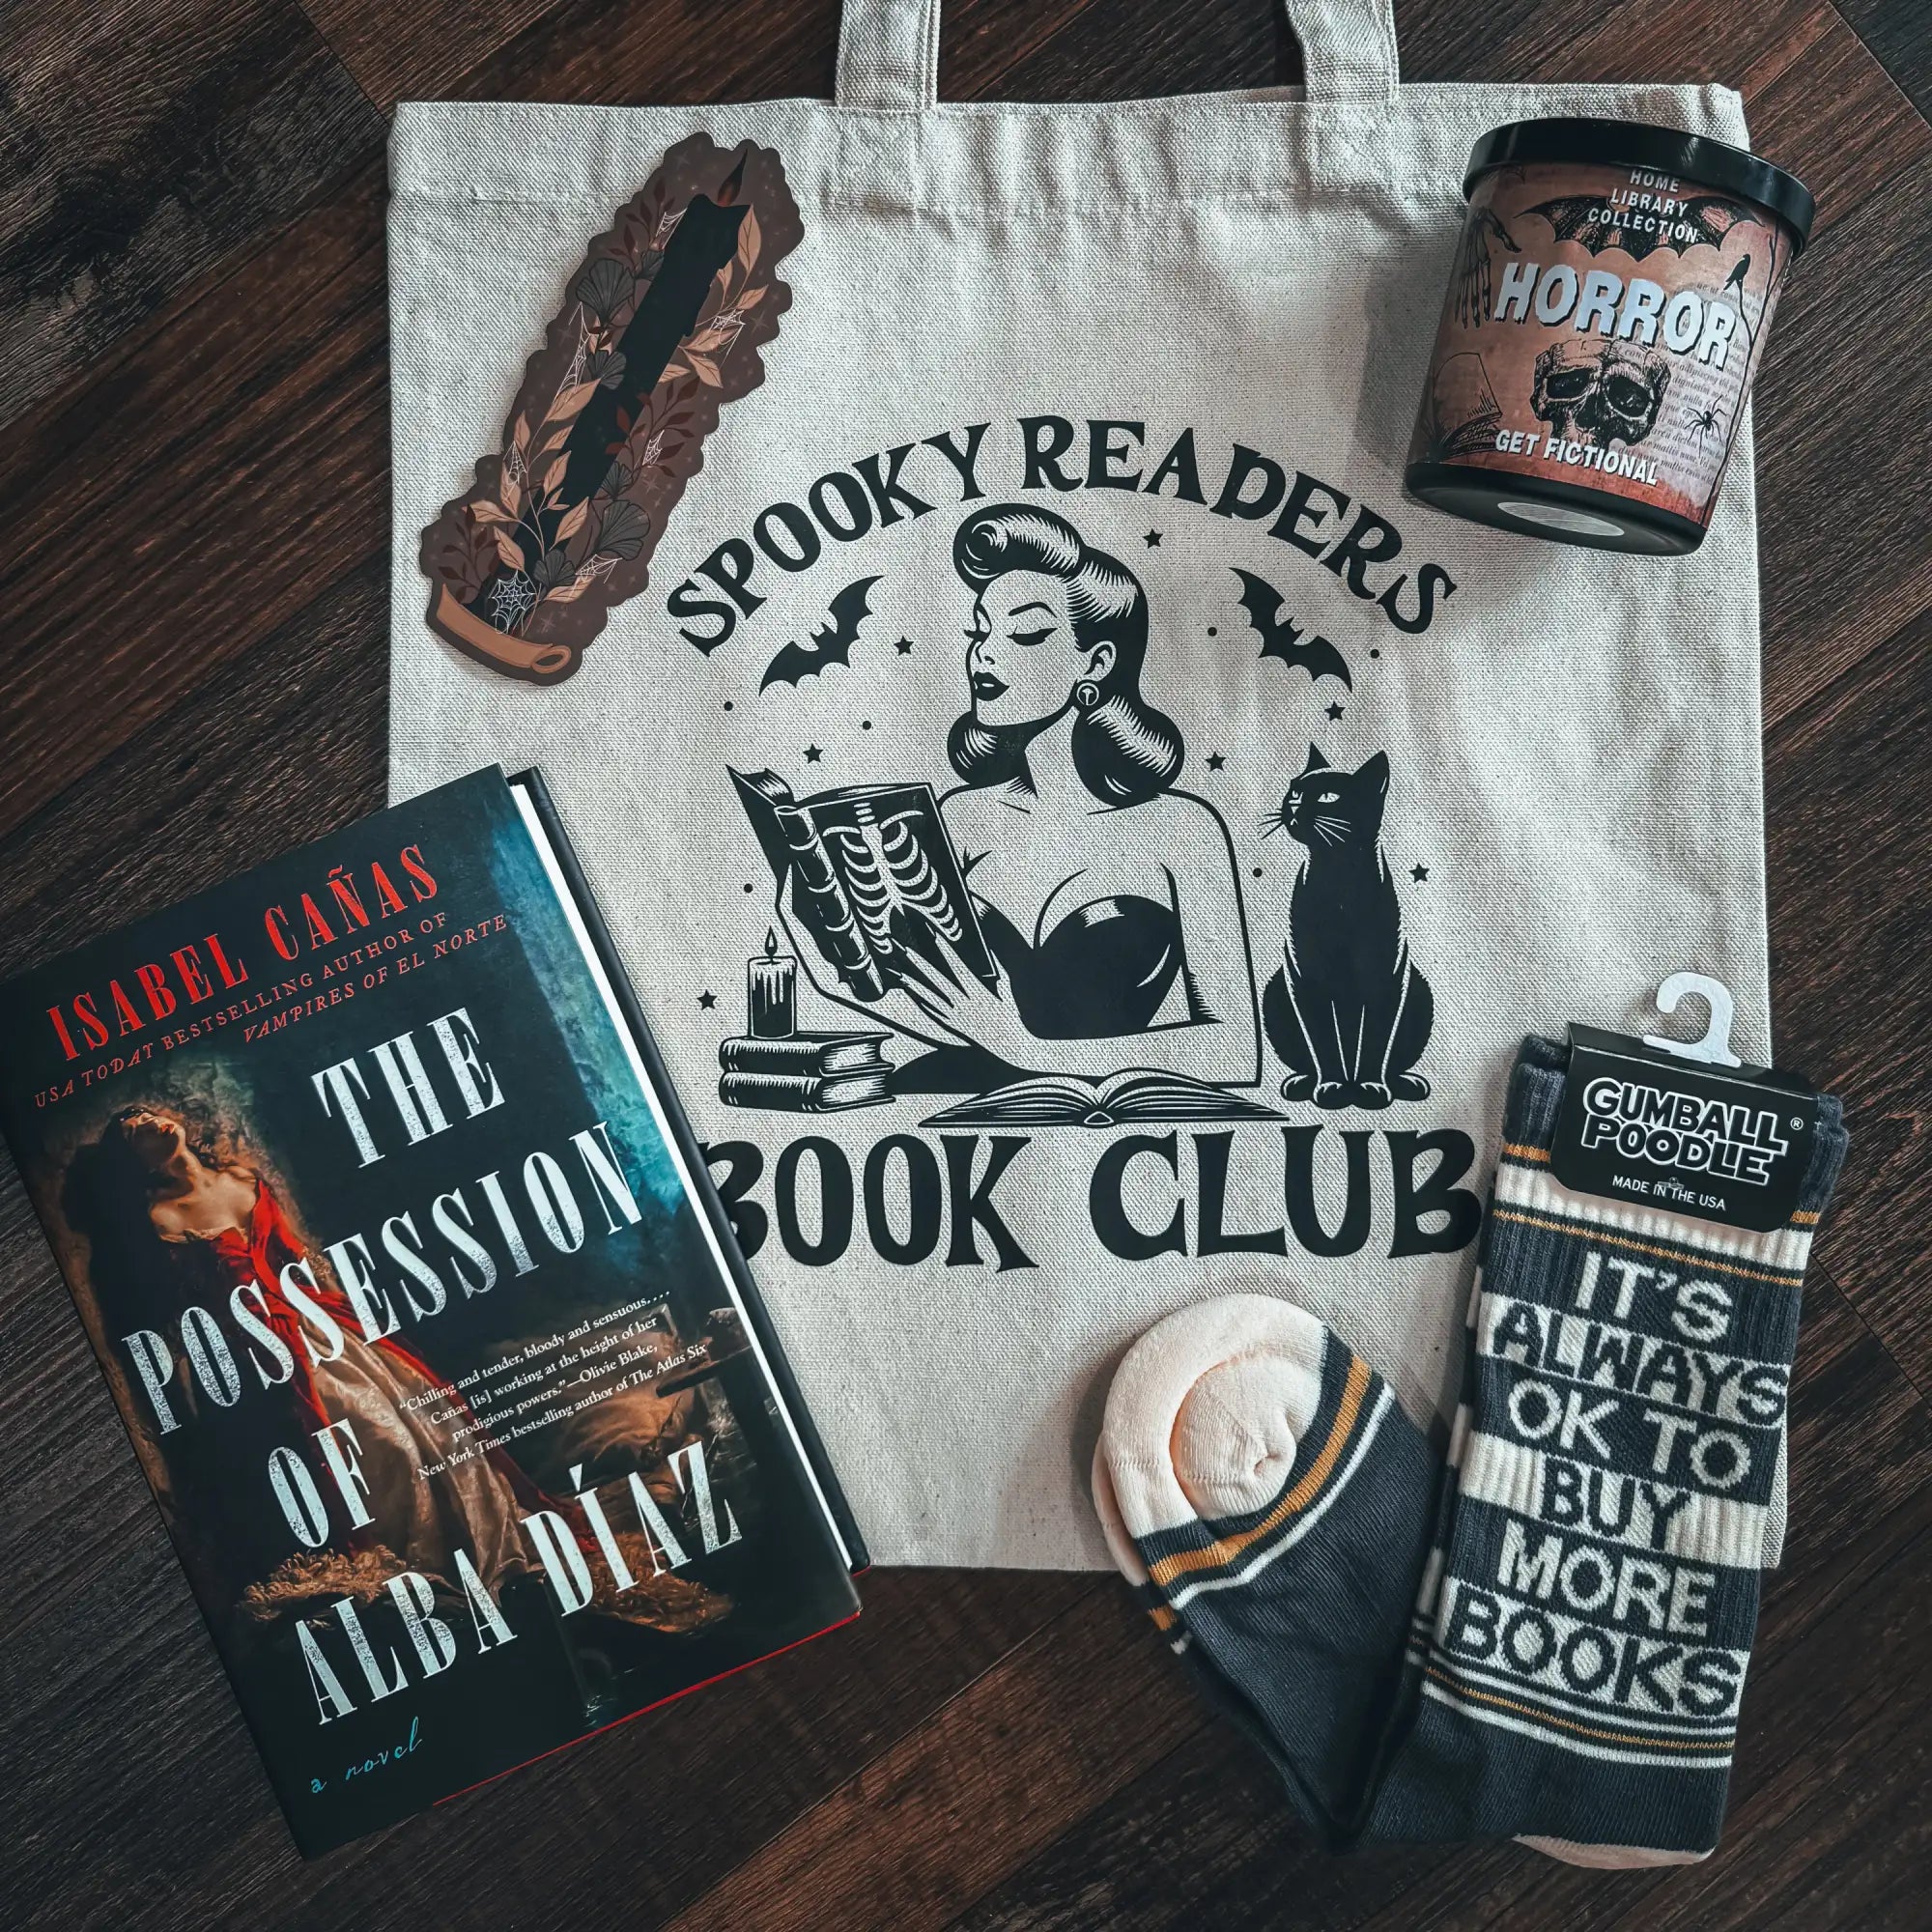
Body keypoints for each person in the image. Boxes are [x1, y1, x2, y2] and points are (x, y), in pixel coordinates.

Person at [792, 504, 1261, 1088]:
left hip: (1147, 1132)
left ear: (1097, 662)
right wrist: (828, 959)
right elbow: (923, 1005)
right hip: (971, 1118)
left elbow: (1235, 1053)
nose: (985, 653)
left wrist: (1024, 1049)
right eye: (980, 631)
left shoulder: (1182, 829)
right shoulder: (954, 821)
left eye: (1025, 633)